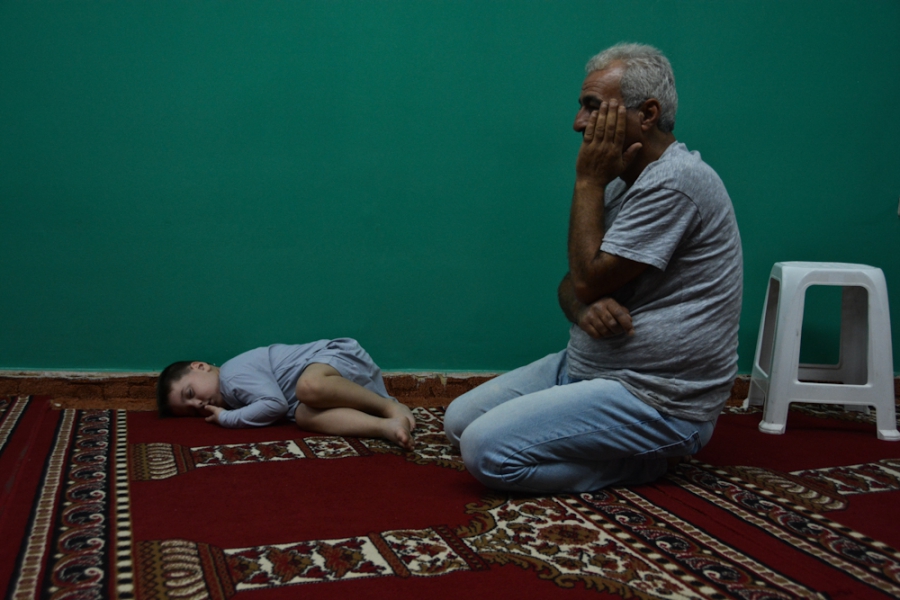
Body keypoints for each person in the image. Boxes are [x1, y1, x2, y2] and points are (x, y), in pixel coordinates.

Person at [444, 43, 743, 494]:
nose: (578, 123)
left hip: (656, 398)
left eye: (592, 107)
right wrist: (584, 312)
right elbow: (574, 286)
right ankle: (604, 440)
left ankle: (642, 464)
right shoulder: (626, 179)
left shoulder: (675, 182)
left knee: (487, 454)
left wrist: (587, 181)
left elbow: (585, 278)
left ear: (647, 113)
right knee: (457, 423)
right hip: (587, 369)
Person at [156, 338, 416, 450]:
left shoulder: (231, 375)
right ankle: (383, 426)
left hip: (337, 360)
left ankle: (388, 407)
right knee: (303, 416)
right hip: (334, 395)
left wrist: (227, 419)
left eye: (190, 392)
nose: (199, 403)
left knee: (307, 388)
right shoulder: (235, 399)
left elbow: (274, 405)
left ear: (201, 366)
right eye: (191, 409)